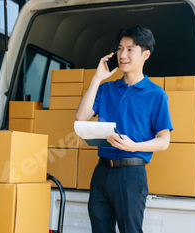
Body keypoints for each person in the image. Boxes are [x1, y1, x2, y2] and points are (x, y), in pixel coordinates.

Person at [75, 25, 173, 233]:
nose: (122, 55)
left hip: (131, 173)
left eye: (130, 49)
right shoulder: (106, 88)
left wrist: (134, 146)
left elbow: (164, 141)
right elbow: (81, 117)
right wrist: (97, 78)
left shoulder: (156, 94)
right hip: (102, 171)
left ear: (145, 55)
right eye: (120, 49)